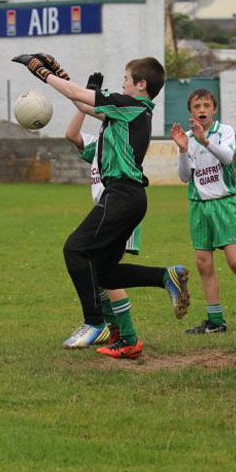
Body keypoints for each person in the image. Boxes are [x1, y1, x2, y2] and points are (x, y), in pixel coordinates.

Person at [12, 52, 190, 351]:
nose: (122, 84)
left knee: (75, 250)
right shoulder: (129, 110)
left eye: (125, 79)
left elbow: (81, 97)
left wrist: (41, 72)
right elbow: (82, 102)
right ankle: (165, 276)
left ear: (141, 84)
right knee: (105, 272)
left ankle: (95, 322)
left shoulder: (129, 105)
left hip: (122, 196)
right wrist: (63, 77)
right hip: (127, 197)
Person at [65, 71, 143, 359]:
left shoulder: (117, 140)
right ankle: (115, 331)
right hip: (105, 211)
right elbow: (71, 135)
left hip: (119, 210)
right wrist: (85, 94)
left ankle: (124, 335)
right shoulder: (100, 142)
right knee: (98, 273)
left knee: (107, 276)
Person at [171, 88, 236, 334]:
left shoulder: (225, 132)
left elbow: (228, 158)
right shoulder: (187, 137)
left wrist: (205, 142)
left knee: (234, 261)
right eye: (197, 107)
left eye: (206, 106)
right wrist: (182, 149)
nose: (202, 110)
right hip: (199, 205)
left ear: (214, 109)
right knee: (203, 263)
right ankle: (215, 321)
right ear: (190, 111)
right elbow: (183, 176)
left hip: (224, 202)